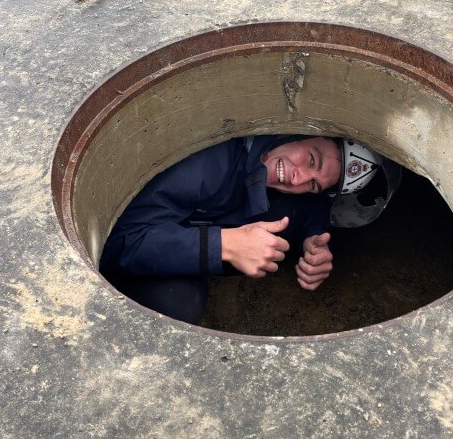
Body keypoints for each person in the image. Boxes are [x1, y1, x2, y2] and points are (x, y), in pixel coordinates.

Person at [99, 134, 401, 324]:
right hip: (134, 250)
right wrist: (225, 244)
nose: (296, 179)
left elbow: (312, 208)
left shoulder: (283, 179)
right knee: (179, 303)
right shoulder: (210, 165)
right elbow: (115, 242)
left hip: (184, 244)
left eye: (313, 184)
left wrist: (315, 244)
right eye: (311, 159)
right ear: (299, 131)